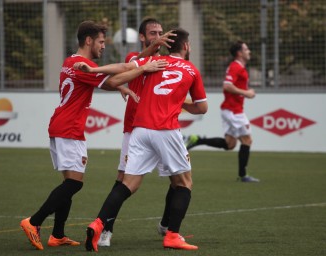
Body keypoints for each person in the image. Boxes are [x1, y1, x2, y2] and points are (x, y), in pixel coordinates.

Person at [19, 20, 168, 251]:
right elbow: (115, 78)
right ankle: (34, 222)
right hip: (70, 129)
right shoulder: (83, 65)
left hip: (61, 125)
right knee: (73, 184)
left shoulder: (71, 61)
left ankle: (57, 234)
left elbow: (113, 77)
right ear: (88, 41)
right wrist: (141, 70)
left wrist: (121, 84)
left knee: (68, 182)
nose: (103, 46)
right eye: (100, 42)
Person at [82, 28, 208, 252]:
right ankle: (172, 235)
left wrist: (94, 69)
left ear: (166, 46)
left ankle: (99, 223)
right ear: (186, 47)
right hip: (165, 130)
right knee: (184, 183)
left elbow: (122, 68)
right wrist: (180, 102)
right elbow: (202, 108)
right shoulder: (191, 69)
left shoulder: (151, 61)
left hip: (139, 130)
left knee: (128, 184)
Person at [96, 17, 177, 247]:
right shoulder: (135, 58)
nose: (159, 36)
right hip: (135, 129)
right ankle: (105, 230)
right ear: (142, 37)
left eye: (161, 32)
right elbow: (121, 72)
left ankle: (166, 225)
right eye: (153, 33)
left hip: (162, 129)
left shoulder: (167, 62)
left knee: (178, 180)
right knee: (123, 180)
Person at [185, 40, 259, 182]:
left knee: (230, 144)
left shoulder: (239, 68)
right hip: (233, 111)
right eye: (246, 49)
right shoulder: (235, 67)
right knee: (247, 140)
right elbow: (227, 86)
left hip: (231, 110)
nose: (249, 51)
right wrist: (246, 93)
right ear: (239, 53)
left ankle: (199, 140)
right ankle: (243, 175)